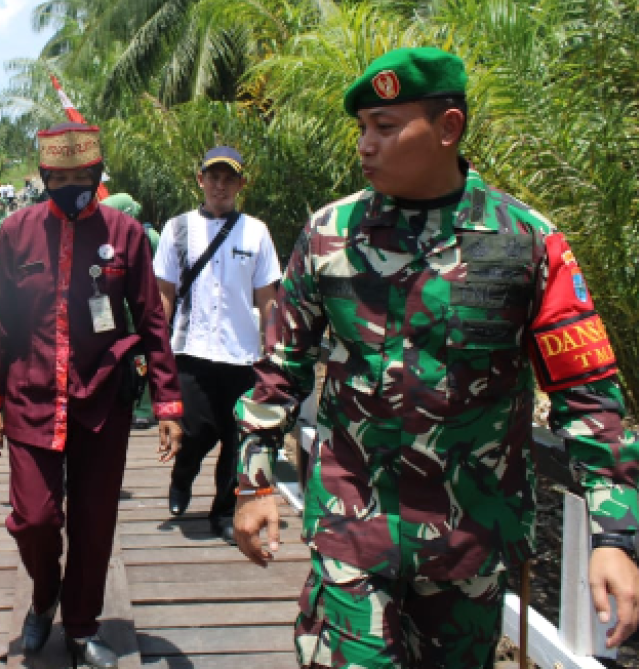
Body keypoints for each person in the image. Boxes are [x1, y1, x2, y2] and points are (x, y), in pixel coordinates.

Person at [232, 48, 639, 668]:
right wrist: (252, 479)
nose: (366, 145)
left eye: (386, 128)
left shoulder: (525, 242)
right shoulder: (328, 235)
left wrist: (615, 536)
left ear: (448, 128)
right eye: (363, 128)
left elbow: (587, 392)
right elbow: (280, 365)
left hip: (469, 540)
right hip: (352, 525)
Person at [0, 122, 184, 669]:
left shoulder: (126, 233)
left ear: (96, 174)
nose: (70, 184)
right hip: (31, 396)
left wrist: (167, 405)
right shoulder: (17, 232)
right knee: (35, 518)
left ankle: (83, 625)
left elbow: (151, 322)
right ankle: (45, 594)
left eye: (80, 175)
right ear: (44, 178)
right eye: (58, 177)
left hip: (102, 400)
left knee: (95, 523)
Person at [152, 147, 281, 546]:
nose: (220, 185)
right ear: (200, 180)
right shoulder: (176, 230)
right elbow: (164, 294)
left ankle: (224, 510)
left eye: (229, 179)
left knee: (236, 438)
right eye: (213, 177)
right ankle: (182, 477)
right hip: (190, 351)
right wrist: (155, 348)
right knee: (193, 432)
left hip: (242, 356)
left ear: (241, 185)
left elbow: (268, 298)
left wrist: (274, 351)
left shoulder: (256, 232)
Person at [101, 193, 161, 431]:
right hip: (114, 310)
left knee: (141, 356)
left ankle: (145, 408)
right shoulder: (107, 238)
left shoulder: (149, 237)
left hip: (141, 308)